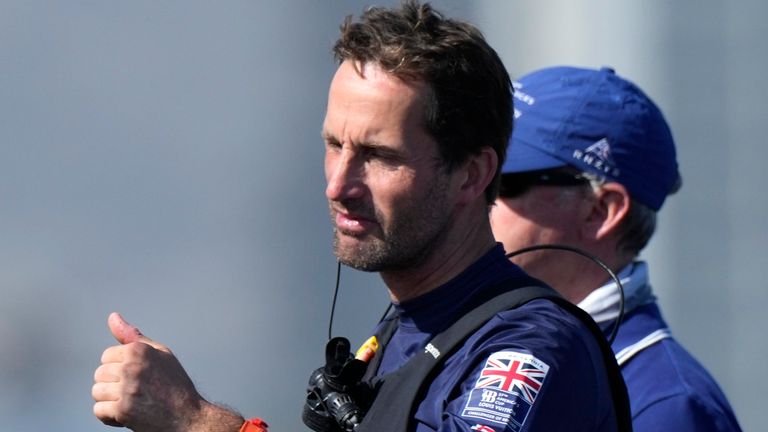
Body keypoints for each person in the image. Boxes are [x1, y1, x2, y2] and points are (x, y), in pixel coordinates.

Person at [92, 3, 628, 431]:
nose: (338, 185)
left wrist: (194, 422)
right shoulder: (406, 328)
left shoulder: (530, 346)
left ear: (470, 174)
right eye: (334, 145)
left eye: (379, 156)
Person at [490, 65, 742, 431]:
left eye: (502, 182)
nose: (472, 194)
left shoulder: (667, 408)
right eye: (472, 170)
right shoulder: (472, 345)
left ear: (600, 210)